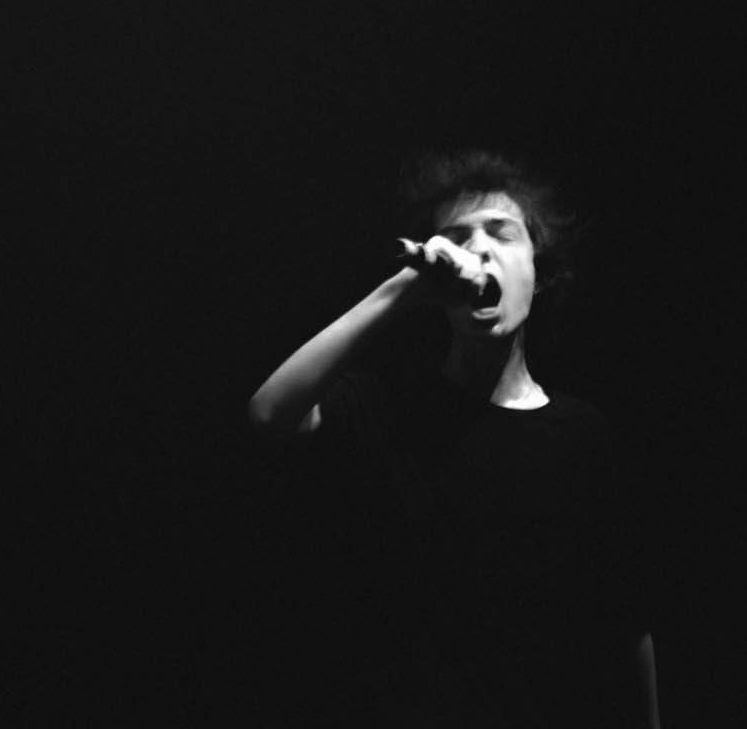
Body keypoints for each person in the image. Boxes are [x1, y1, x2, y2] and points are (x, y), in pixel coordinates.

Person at [246, 149, 661, 728]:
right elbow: (270, 412)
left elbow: (625, 624)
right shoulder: (386, 406)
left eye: (502, 233)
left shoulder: (584, 435)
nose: (478, 250)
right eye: (458, 237)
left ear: (538, 269)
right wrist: (406, 286)